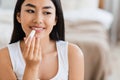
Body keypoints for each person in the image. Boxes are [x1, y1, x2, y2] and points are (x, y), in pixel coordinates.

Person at [0, 0, 84, 80]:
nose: (38, 20)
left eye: (47, 12)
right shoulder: (4, 57)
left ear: (55, 19)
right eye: (30, 11)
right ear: (18, 16)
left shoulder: (73, 54)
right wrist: (31, 67)